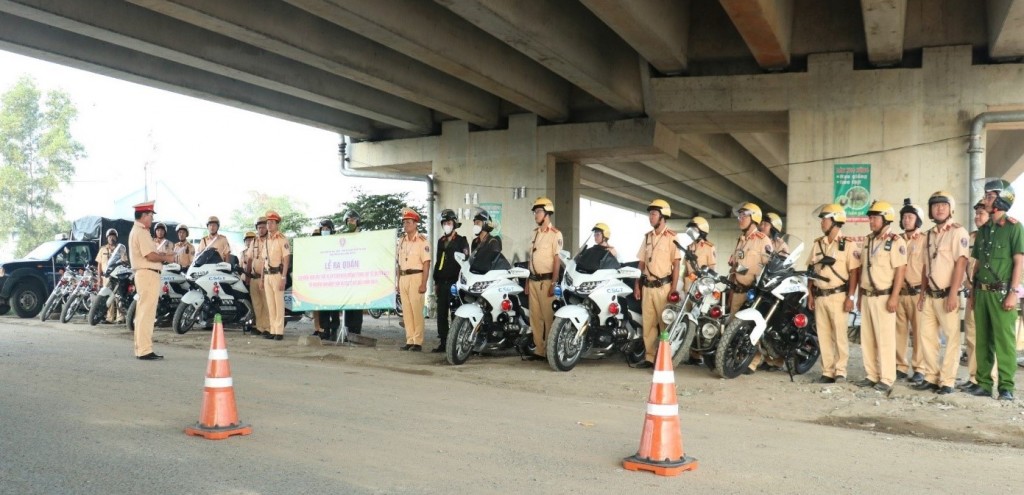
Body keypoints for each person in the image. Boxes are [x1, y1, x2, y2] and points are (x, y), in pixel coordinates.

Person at [967, 179, 1022, 401]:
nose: (985, 200)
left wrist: (1013, 292)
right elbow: (978, 264)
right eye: (986, 196)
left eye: (990, 197)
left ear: (1001, 200)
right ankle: (984, 383)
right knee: (983, 339)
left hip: (1002, 293)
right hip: (981, 292)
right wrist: (972, 291)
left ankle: (1006, 386)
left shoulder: (1014, 227)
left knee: (1004, 341)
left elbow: (1019, 261)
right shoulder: (984, 230)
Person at [913, 191, 969, 395]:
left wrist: (953, 294)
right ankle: (931, 376)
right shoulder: (928, 235)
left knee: (952, 339)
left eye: (943, 205)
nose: (939, 208)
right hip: (930, 296)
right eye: (935, 205)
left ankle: (947, 381)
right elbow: (925, 267)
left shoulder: (957, 232)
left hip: (948, 295)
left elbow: (961, 263)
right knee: (926, 338)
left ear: (950, 208)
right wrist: (921, 295)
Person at [856, 200, 908, 393]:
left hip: (885, 297)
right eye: (870, 217)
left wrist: (895, 297)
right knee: (867, 338)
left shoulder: (895, 241)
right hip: (868, 296)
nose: (871, 221)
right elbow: (863, 270)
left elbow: (900, 271)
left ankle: (886, 377)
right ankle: (871, 375)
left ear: (886, 218)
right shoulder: (868, 240)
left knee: (885, 339)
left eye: (875, 218)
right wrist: (860, 296)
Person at [807, 204, 861, 384]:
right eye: (822, 219)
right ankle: (827, 371)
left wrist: (851, 297)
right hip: (820, 295)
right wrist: (810, 294)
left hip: (839, 296)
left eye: (825, 219)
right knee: (823, 335)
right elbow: (810, 270)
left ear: (836, 221)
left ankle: (840, 371)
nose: (822, 222)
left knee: (839, 336)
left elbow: (854, 272)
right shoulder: (817, 244)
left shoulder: (848, 244)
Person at [729, 202, 775, 374]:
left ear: (754, 218)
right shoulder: (740, 240)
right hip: (737, 290)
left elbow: (769, 266)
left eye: (744, 216)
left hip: (751, 293)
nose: (740, 219)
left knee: (751, 327)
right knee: (735, 327)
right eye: (739, 216)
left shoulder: (763, 240)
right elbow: (735, 266)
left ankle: (753, 361)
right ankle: (738, 358)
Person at [634, 199, 680, 369]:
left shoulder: (672, 237)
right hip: (647, 287)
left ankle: (664, 360)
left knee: (664, 325)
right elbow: (641, 263)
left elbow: (676, 265)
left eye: (653, 214)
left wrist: (674, 289)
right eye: (650, 214)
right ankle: (650, 358)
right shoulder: (647, 237)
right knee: (648, 324)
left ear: (663, 216)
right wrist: (636, 284)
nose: (650, 217)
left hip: (663, 288)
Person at [128, 201, 174, 360]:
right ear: (144, 216)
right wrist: (167, 257)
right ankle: (144, 350)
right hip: (147, 273)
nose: (152, 219)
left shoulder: (139, 231)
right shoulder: (141, 231)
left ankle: (141, 348)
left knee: (143, 313)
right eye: (150, 216)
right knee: (146, 313)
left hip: (145, 274)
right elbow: (150, 255)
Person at [960, 200, 997, 391]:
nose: (977, 217)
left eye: (981, 213)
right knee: (972, 337)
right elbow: (967, 265)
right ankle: (974, 377)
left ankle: (989, 378)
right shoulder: (972, 237)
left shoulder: (996, 236)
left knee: (987, 337)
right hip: (972, 294)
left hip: (990, 294)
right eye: (976, 214)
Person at [526, 197, 562, 361]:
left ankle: (549, 350)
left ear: (547, 213)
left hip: (546, 281)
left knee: (548, 317)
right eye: (535, 212)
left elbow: (557, 260)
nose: (535, 215)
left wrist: (554, 282)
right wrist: (527, 280)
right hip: (533, 281)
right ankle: (539, 350)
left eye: (538, 211)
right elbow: (531, 258)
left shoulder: (555, 234)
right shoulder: (535, 233)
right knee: (535, 317)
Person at [895, 199, 927, 384]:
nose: (906, 220)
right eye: (904, 217)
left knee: (919, 331)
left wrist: (924, 293)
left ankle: (919, 368)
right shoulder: (896, 240)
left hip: (917, 293)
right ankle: (900, 366)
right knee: (899, 332)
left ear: (918, 220)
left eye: (910, 217)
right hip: (900, 293)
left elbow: (926, 268)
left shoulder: (924, 240)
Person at [431, 209, 470, 353]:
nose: (446, 225)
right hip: (442, 282)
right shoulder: (441, 241)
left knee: (455, 313)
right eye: (444, 223)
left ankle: (455, 342)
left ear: (454, 224)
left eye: (449, 222)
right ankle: (443, 341)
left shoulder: (461, 241)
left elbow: (465, 262)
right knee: (441, 313)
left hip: (455, 282)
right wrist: (436, 281)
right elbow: (438, 262)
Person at [397, 207, 431, 351]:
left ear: (416, 223)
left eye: (409, 222)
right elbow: (398, 263)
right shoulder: (402, 241)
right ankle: (410, 339)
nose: (406, 225)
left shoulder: (422, 241)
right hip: (403, 277)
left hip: (417, 276)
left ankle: (418, 341)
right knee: (406, 311)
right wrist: (398, 281)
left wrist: (424, 283)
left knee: (417, 311)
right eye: (404, 223)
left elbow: (426, 263)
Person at [262, 211, 290, 341]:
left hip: (277, 274)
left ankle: (279, 331)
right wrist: (262, 279)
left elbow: (286, 260)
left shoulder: (282, 239)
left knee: (279, 304)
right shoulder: (266, 240)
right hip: (267, 275)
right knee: (270, 304)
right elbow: (264, 261)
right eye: (268, 223)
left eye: (272, 222)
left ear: (277, 224)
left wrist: (283, 278)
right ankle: (272, 329)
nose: (269, 225)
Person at [338, 211, 364, 336]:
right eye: (348, 220)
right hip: (346, 277)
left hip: (358, 276)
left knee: (357, 306)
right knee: (348, 304)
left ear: (357, 221)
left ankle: (356, 332)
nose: (350, 222)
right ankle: (348, 331)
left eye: (353, 220)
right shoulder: (344, 236)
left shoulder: (362, 235)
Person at [316, 219, 342, 339]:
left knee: (334, 308)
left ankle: (334, 330)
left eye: (327, 229)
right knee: (323, 307)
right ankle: (325, 329)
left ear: (331, 230)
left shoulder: (336, 243)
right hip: (322, 280)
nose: (325, 231)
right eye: (323, 229)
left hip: (334, 281)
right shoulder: (317, 244)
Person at [95, 228, 124, 324]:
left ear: (116, 238)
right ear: (107, 238)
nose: (112, 238)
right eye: (110, 236)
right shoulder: (102, 249)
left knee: (118, 296)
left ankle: (120, 317)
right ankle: (110, 318)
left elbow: (125, 261)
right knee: (108, 296)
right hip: (106, 277)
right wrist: (99, 277)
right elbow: (99, 264)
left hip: (116, 276)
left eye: (113, 236)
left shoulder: (120, 249)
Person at [249, 217, 270, 336]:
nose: (261, 230)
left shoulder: (270, 240)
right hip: (254, 277)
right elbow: (250, 258)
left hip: (266, 277)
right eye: (259, 228)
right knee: (257, 304)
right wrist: (247, 276)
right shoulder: (254, 242)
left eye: (263, 227)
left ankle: (269, 327)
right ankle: (260, 326)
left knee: (267, 303)